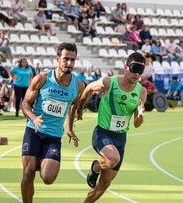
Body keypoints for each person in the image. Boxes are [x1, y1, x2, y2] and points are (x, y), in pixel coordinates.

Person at [77, 52, 147, 203]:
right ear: (125, 67)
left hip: (120, 138)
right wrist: (79, 108)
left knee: (104, 184)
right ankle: (96, 167)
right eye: (134, 69)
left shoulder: (141, 91)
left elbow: (136, 123)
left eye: (140, 71)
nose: (137, 74)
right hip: (102, 133)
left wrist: (140, 116)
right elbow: (89, 88)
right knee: (112, 159)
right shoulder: (109, 82)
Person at [20, 42, 85, 203]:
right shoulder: (42, 79)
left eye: (72, 60)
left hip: (54, 137)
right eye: (65, 59)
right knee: (28, 173)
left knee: (48, 178)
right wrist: (34, 118)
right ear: (57, 59)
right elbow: (25, 104)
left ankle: (40, 158)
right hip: (34, 131)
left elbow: (73, 106)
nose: (69, 63)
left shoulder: (78, 85)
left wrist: (69, 128)